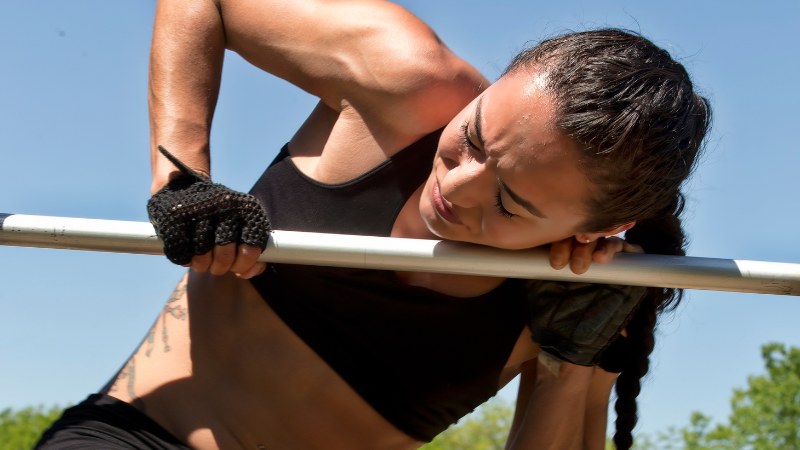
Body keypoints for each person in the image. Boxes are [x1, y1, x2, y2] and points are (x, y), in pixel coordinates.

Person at [36, 1, 710, 449]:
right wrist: (183, 176)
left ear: (596, 228)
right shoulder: (407, 81)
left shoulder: (580, 290)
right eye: (474, 138)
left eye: (510, 204)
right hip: (136, 436)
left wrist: (569, 368)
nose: (455, 186)